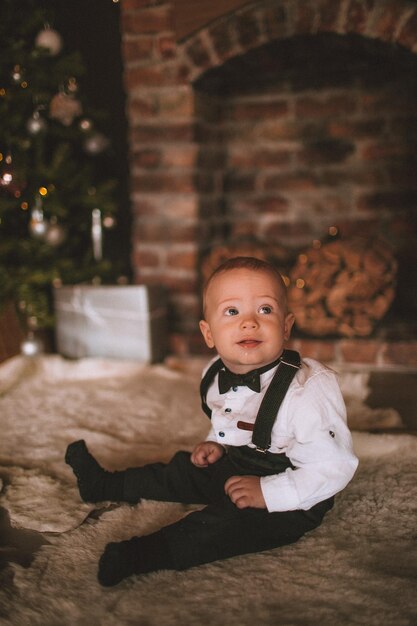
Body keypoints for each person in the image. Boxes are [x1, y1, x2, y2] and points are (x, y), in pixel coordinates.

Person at [65, 256, 358, 586]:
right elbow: (228, 417)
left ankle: (141, 555)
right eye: (232, 312)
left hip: (294, 491)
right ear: (208, 333)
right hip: (238, 461)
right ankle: (105, 484)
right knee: (181, 470)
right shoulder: (213, 374)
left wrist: (269, 492)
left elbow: (332, 468)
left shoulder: (307, 392)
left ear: (286, 326)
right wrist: (217, 443)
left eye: (265, 310)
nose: (249, 322)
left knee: (223, 525)